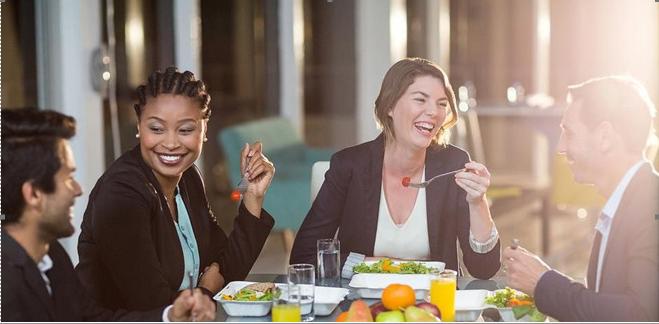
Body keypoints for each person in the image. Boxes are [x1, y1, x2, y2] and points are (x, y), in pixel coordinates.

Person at [75, 67, 276, 311]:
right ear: (139, 126)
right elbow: (153, 307)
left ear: (204, 130)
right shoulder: (121, 194)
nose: (171, 144)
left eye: (185, 130)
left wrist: (252, 197)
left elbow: (226, 271)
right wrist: (207, 291)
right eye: (157, 129)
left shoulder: (189, 178)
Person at [290, 58, 501, 279]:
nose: (434, 112)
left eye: (441, 104)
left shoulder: (453, 164)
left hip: (435, 306)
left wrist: (477, 203)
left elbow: (484, 269)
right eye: (421, 99)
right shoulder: (350, 166)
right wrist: (387, 266)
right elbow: (304, 257)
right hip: (359, 307)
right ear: (390, 106)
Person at [1, 108, 216, 321]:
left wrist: (170, 316)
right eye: (68, 178)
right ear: (34, 194)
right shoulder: (6, 284)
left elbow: (92, 319)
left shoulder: (51, 255)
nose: (77, 189)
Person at [502, 76, 659, 321]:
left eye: (569, 133)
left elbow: (641, 316)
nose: (561, 148)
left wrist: (543, 283)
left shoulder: (650, 207)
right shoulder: (627, 200)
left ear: (605, 137)